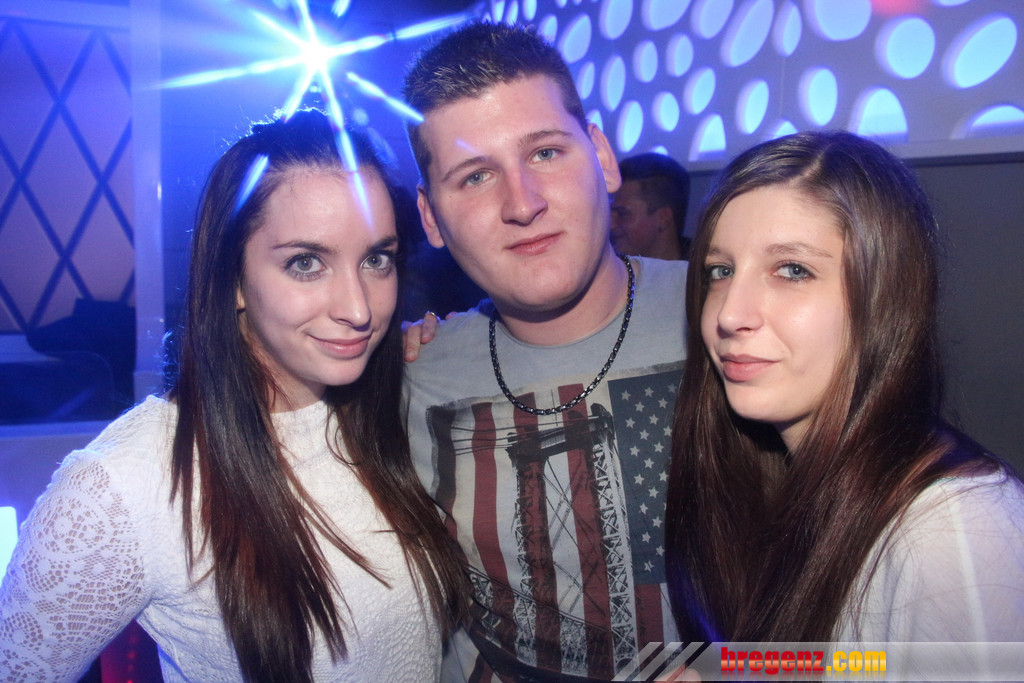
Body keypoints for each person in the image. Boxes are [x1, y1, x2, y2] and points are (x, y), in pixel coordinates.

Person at [0, 109, 466, 681]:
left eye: (376, 259)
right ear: (234, 280)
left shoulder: (391, 406)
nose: (358, 308)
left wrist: (441, 352)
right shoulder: (124, 485)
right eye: (306, 263)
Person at [401, 22, 687, 681]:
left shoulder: (731, 320)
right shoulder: (407, 377)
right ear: (431, 217)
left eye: (546, 153)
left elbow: (871, 635)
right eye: (475, 176)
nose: (522, 203)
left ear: (603, 158)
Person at [665, 130, 1024, 647]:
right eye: (720, 271)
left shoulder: (957, 530)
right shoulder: (780, 482)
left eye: (792, 270)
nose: (729, 313)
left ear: (884, 298)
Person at [610, 152, 691, 261]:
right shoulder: (602, 267)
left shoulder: (703, 269)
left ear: (663, 218)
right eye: (608, 214)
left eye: (622, 213)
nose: (611, 225)